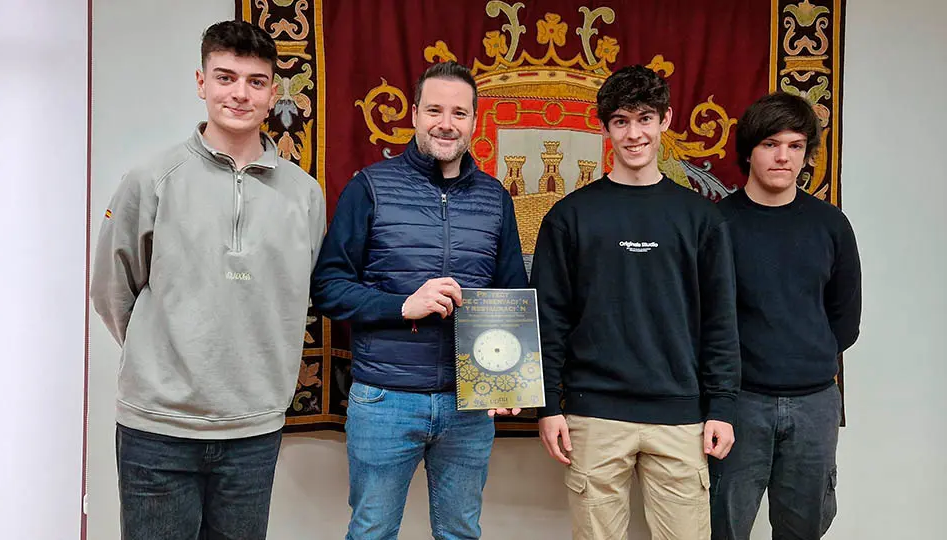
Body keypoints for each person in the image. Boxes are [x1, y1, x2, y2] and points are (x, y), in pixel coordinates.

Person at [90, 20, 326, 540]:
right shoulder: (151, 179)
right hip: (158, 428)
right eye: (225, 77)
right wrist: (167, 356)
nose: (240, 93)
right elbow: (112, 291)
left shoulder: (305, 196)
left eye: (256, 81)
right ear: (202, 83)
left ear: (272, 93)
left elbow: (296, 289)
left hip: (253, 428)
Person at [310, 60, 528, 540]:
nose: (446, 123)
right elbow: (327, 287)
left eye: (459, 113)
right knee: (371, 531)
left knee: (460, 533)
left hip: (469, 409)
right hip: (385, 398)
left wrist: (507, 384)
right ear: (413, 114)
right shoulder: (370, 187)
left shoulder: (495, 198)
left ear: (475, 121)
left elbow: (511, 297)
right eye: (434, 110)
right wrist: (401, 306)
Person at [530, 64, 741, 540]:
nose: (634, 133)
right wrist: (547, 406)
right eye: (621, 121)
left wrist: (723, 406)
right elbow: (550, 319)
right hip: (593, 415)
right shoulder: (570, 217)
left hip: (681, 416)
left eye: (644, 118)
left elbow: (720, 320)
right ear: (604, 127)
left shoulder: (701, 219)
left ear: (665, 120)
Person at [709, 92, 862, 540]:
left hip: (814, 403)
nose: (783, 156)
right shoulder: (716, 225)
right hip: (738, 402)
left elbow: (845, 319)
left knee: (804, 528)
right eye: (770, 144)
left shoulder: (830, 225)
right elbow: (701, 319)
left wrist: (804, 357)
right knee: (723, 526)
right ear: (749, 151)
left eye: (795, 146)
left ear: (806, 154)